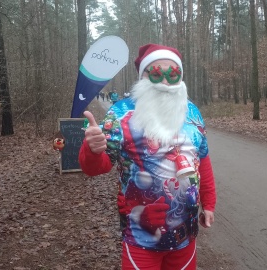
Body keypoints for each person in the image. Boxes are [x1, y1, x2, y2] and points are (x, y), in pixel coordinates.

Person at [78, 43, 216, 270]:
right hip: (140, 237)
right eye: (155, 73)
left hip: (185, 236)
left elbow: (203, 162)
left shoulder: (192, 112)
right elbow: (96, 168)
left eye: (173, 74)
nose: (164, 81)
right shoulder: (120, 113)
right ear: (142, 76)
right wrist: (93, 149)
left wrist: (209, 203)